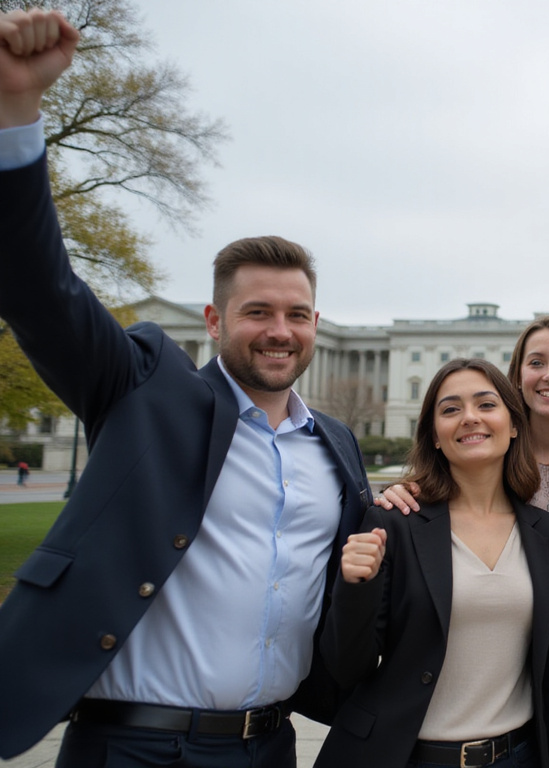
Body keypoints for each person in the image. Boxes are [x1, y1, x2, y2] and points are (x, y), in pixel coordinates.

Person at [0, 9, 373, 765]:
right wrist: (16, 113)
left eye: (297, 314)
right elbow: (40, 287)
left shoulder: (335, 447)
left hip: (268, 745)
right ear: (212, 319)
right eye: (257, 312)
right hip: (135, 746)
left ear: (317, 323)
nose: (280, 331)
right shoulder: (144, 391)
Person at [316, 359, 549, 768]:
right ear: (435, 436)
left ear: (513, 425)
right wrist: (355, 587)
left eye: (486, 405)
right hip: (410, 756)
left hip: (516, 756)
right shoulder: (394, 522)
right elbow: (347, 667)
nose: (470, 418)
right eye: (451, 409)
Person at [380, 316, 549, 762]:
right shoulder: (486, 459)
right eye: (536, 362)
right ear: (516, 379)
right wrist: (405, 492)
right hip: (512, 691)